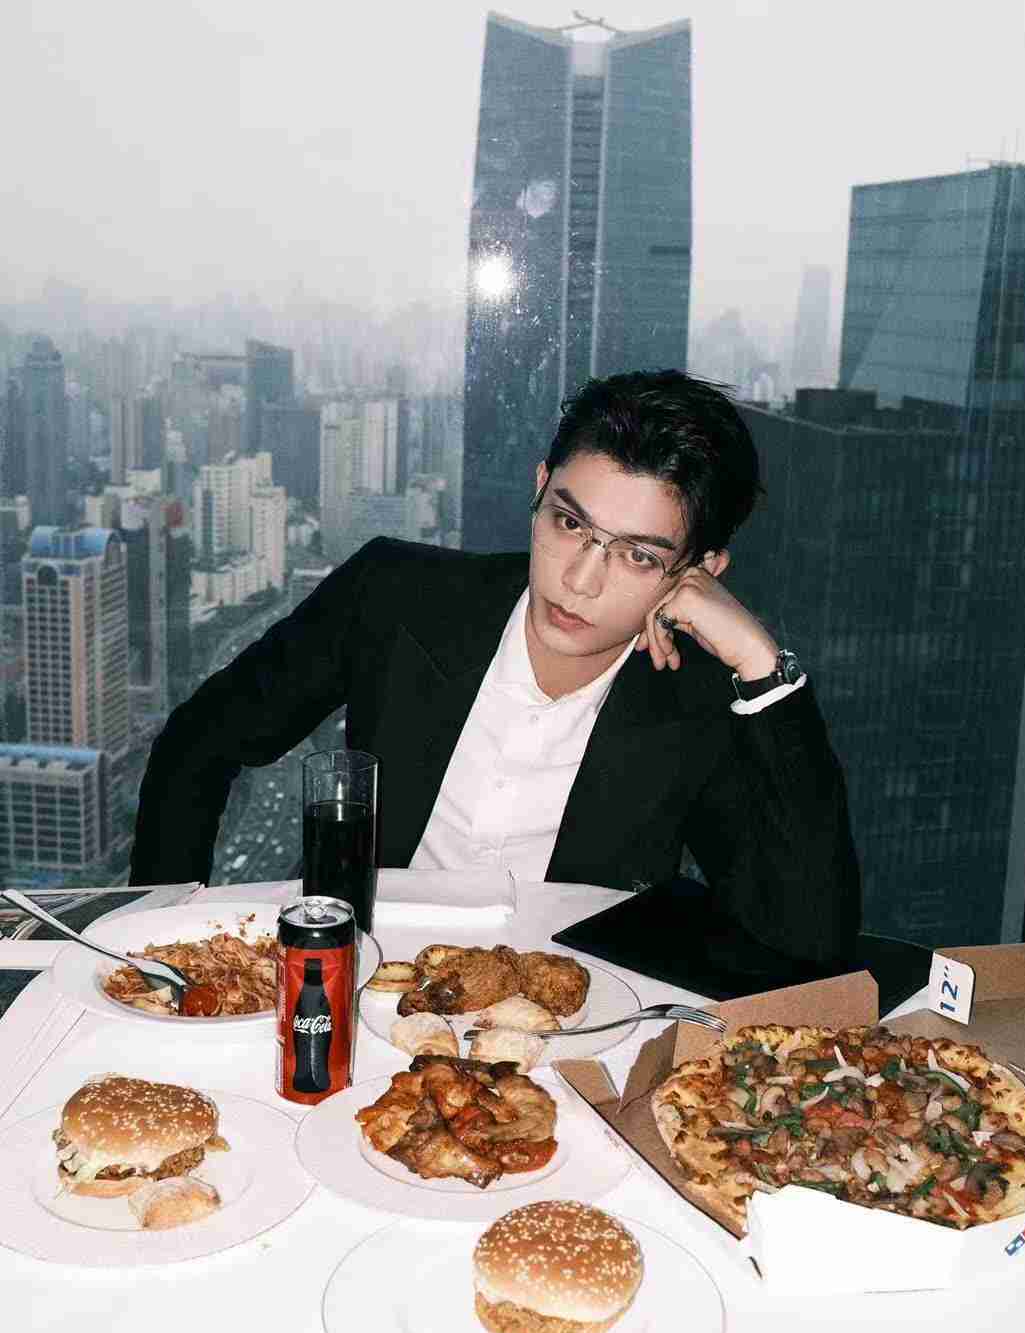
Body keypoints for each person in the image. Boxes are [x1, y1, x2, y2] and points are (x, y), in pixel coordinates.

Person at [131, 370, 859, 974]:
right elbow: (201, 740)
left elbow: (809, 939)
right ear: (540, 488)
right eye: (569, 524)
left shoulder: (705, 696)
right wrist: (154, 948)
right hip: (355, 984)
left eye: (638, 556)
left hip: (566, 1023)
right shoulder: (397, 595)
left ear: (700, 572)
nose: (579, 580)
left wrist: (762, 666)